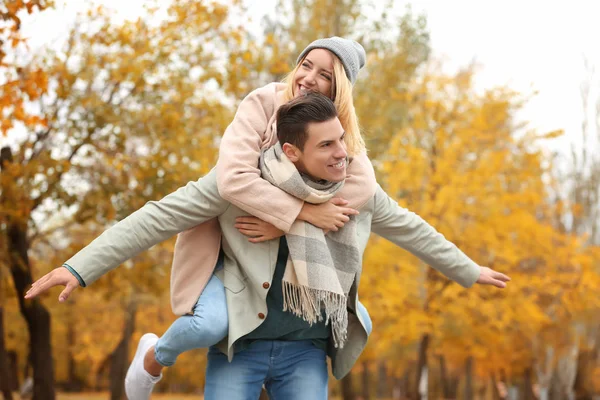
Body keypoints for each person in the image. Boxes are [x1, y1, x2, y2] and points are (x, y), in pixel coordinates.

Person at [26, 92, 510, 400]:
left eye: (343, 140)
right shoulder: (235, 186)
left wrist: (469, 270)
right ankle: (154, 357)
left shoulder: (355, 193)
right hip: (243, 344)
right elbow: (154, 217)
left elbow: (411, 228)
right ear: (292, 152)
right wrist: (79, 267)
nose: (344, 154)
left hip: (305, 350)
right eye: (328, 146)